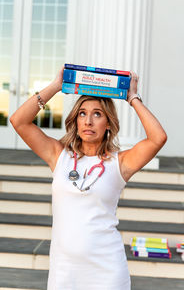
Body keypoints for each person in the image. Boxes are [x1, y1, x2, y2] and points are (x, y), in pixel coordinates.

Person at [10, 65, 167, 290]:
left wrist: (132, 97)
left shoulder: (119, 163)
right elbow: (19, 121)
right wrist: (56, 86)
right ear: (75, 120)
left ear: (108, 124)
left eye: (97, 114)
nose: (88, 121)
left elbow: (158, 138)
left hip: (107, 270)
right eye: (82, 113)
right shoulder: (59, 156)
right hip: (65, 270)